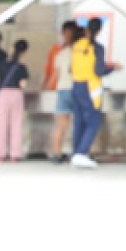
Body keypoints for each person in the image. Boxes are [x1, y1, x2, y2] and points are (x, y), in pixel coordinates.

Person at [68, 18, 113, 169]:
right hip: (91, 87)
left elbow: (71, 68)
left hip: (76, 85)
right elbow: (98, 70)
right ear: (99, 30)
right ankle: (81, 153)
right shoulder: (97, 48)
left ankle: (77, 152)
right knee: (93, 121)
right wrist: (112, 68)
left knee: (79, 121)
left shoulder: (76, 45)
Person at [44, 22, 78, 163]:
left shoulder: (60, 53)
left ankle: (57, 154)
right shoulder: (81, 52)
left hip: (62, 90)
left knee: (60, 126)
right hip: (77, 90)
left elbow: (54, 75)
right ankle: (78, 153)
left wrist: (48, 88)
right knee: (78, 124)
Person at [0, 39, 30, 163]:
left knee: (1, 124)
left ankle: (0, 154)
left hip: (3, 94)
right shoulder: (21, 67)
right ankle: (15, 155)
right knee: (16, 124)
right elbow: (23, 84)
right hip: (17, 94)